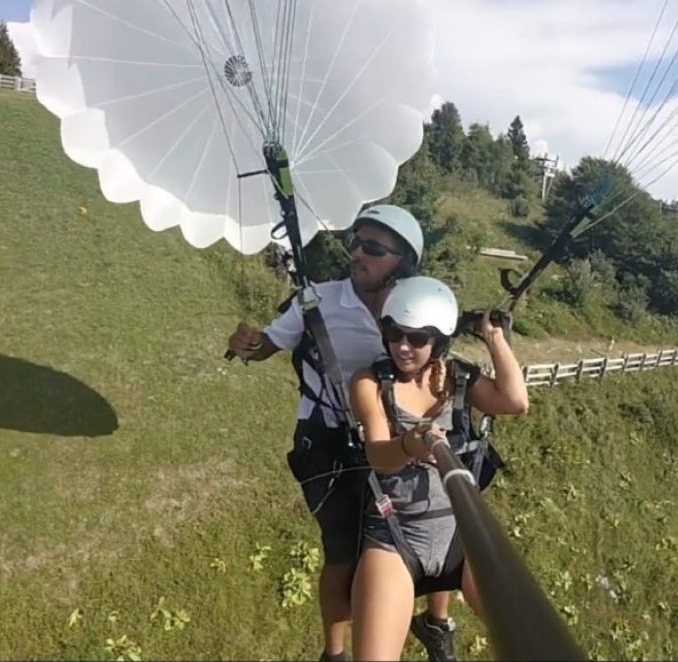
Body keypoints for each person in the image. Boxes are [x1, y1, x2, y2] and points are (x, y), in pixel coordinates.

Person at [226, 206, 457, 662]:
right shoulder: (319, 299)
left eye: (373, 248)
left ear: (403, 262)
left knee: (435, 524)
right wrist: (248, 345)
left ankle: (435, 621)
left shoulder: (413, 308)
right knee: (343, 550)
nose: (357, 253)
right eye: (355, 242)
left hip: (397, 440)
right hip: (330, 443)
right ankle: (335, 652)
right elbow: (268, 345)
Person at [347, 276, 529, 661]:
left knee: (521, 633)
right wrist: (411, 444)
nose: (402, 347)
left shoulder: (458, 378)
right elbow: (378, 454)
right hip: (396, 534)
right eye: (394, 333)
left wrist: (493, 337)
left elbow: (514, 401)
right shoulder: (370, 383)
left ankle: (434, 624)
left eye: (417, 338)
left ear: (439, 342)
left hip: (461, 531)